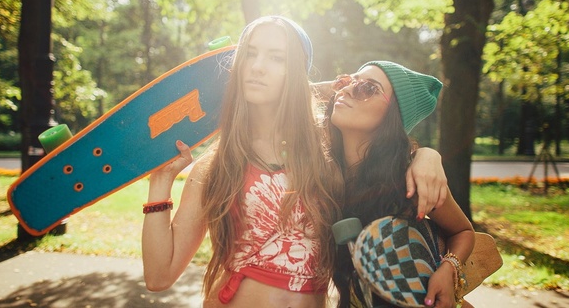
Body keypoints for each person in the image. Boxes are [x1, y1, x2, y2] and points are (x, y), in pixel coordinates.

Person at [141, 16, 448, 307]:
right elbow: (159, 276)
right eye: (249, 54)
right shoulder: (218, 164)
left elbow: (380, 143)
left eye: (277, 58)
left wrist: (424, 155)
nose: (258, 67)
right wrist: (160, 181)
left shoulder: (326, 154)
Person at [326, 61, 475, 308]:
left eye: (366, 88)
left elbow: (463, 232)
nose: (347, 90)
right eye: (345, 81)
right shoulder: (318, 174)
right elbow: (291, 91)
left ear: (393, 114)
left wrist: (449, 269)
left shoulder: (410, 181)